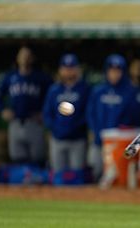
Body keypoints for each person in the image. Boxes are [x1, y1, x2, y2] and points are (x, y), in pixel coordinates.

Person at [86, 54, 139, 185]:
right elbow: (90, 113)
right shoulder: (98, 91)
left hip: (118, 143)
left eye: (118, 70)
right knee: (97, 170)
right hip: (99, 140)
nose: (114, 74)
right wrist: (95, 131)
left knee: (117, 175)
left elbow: (132, 118)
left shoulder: (129, 91)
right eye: (112, 70)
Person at [0, 46, 52, 166]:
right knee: (17, 158)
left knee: (38, 157)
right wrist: (2, 110)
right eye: (22, 55)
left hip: (34, 122)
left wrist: (44, 113)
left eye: (27, 56)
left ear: (32, 59)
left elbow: (52, 97)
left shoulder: (41, 77)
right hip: (16, 121)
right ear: (17, 58)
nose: (25, 58)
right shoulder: (10, 77)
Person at [43, 54, 90, 185]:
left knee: (77, 176)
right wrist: (56, 129)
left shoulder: (84, 89)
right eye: (66, 67)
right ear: (60, 70)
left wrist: (76, 127)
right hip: (58, 139)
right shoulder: (54, 90)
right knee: (58, 176)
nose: (68, 71)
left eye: (71, 67)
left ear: (77, 69)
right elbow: (47, 114)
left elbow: (88, 113)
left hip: (77, 139)